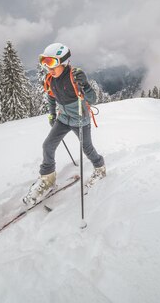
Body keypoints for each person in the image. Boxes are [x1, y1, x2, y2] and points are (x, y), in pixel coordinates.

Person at [23, 43, 106, 205]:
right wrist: (52, 114)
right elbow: (51, 97)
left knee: (87, 148)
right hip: (63, 119)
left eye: (52, 63)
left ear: (64, 62)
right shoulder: (50, 79)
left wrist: (86, 85)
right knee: (48, 146)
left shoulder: (75, 77)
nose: (48, 68)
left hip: (80, 120)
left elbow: (93, 100)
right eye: (44, 62)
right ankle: (48, 178)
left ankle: (100, 167)